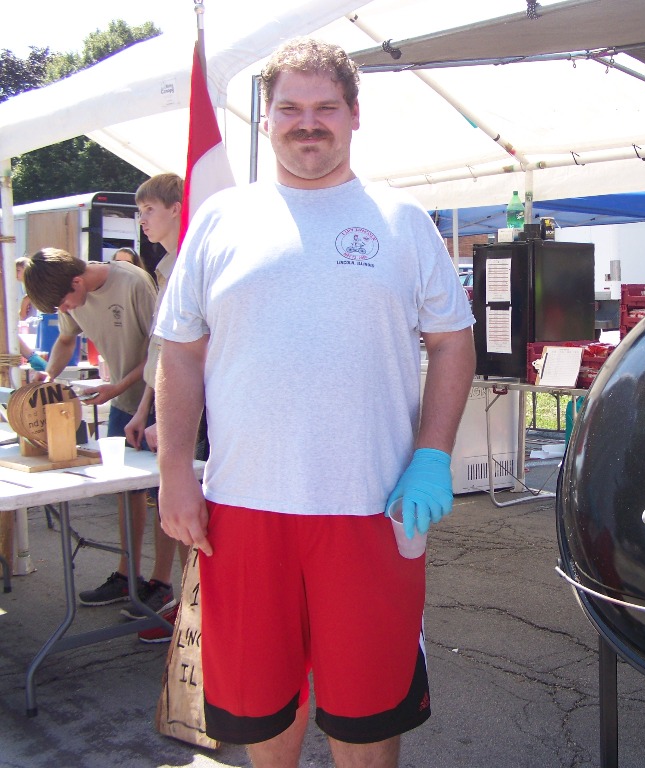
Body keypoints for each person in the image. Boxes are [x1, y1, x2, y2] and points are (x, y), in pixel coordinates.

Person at [154, 37, 476, 768]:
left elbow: (453, 342)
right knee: (262, 708)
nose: (308, 123)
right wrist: (174, 471)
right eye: (290, 108)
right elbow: (181, 351)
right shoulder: (219, 221)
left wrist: (432, 454)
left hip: (371, 510)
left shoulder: (403, 220)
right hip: (241, 511)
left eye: (325, 107)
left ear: (354, 115)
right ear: (266, 119)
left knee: (367, 715)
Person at [22, 248, 162, 611]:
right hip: (122, 402)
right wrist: (48, 375)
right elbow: (66, 339)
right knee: (126, 493)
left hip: (158, 400)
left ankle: (162, 584)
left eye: (65, 303)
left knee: (165, 494)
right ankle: (127, 576)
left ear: (77, 281)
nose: (66, 310)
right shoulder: (67, 294)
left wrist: (117, 388)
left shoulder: (132, 283)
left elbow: (160, 350)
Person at [120, 173, 190, 642]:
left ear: (176, 209)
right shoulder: (165, 266)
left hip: (191, 408)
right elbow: (159, 352)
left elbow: (185, 353)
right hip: (165, 400)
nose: (142, 220)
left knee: (190, 508)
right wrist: (145, 409)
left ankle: (196, 609)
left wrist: (165, 415)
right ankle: (186, 599)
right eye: (140, 211)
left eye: (149, 210)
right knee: (177, 506)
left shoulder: (188, 262)